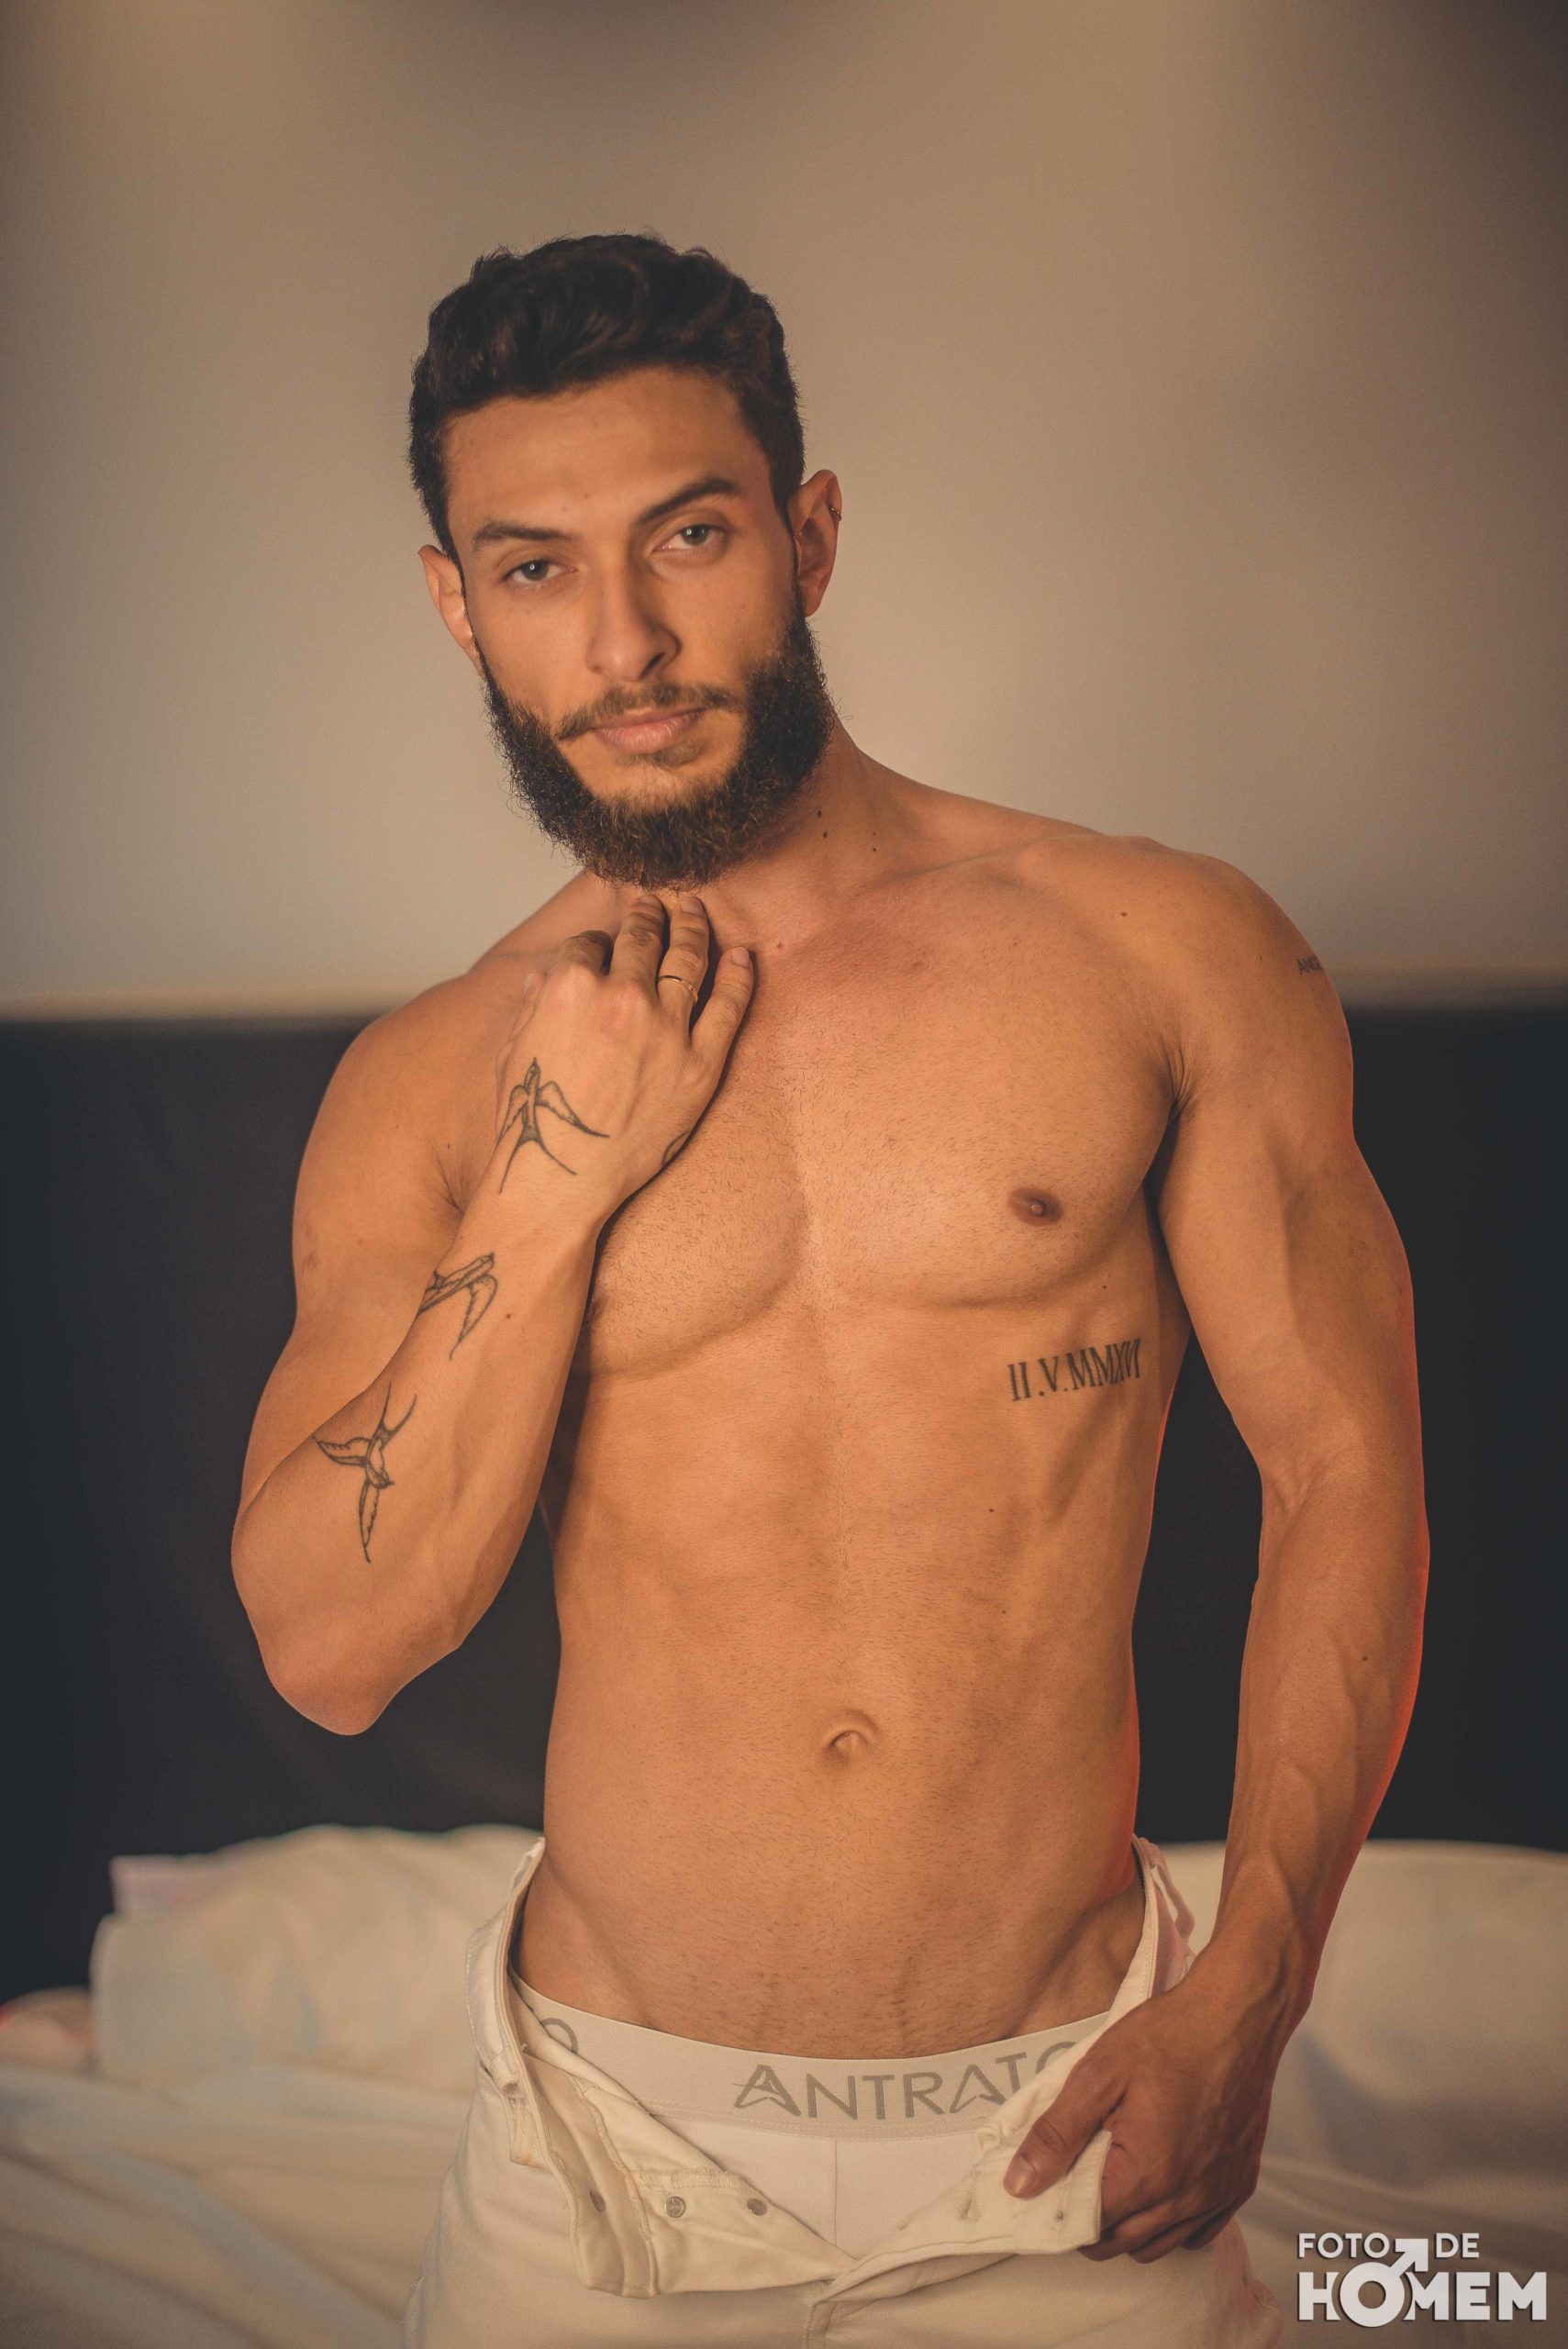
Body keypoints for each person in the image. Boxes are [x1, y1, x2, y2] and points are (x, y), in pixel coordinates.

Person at [231, 234, 1427, 2345]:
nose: (621, 640)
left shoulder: (1159, 951)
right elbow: (331, 1644)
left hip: (1078, 2110)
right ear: (456, 603)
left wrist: (1252, 1985)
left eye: (686, 536)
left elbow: (1347, 1467)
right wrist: (555, 1183)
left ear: (807, 536)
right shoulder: (435, 1077)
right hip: (605, 2148)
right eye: (534, 568)